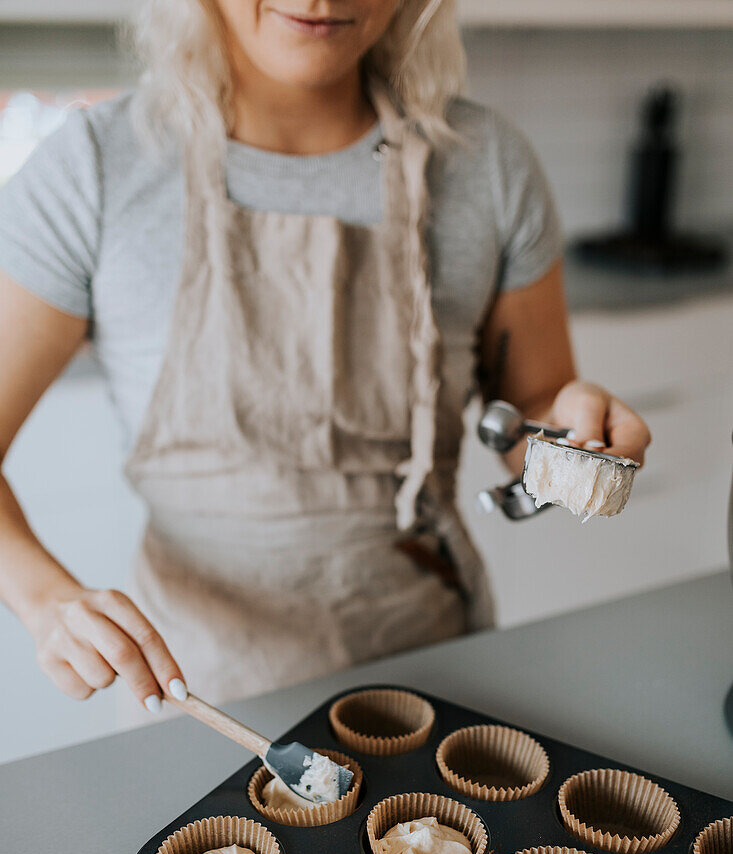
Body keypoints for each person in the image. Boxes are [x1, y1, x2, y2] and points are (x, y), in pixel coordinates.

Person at [0, 0, 651, 720]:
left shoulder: (486, 165)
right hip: (202, 693)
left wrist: (571, 437)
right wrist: (46, 600)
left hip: (436, 673)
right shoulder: (95, 168)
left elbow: (534, 410)